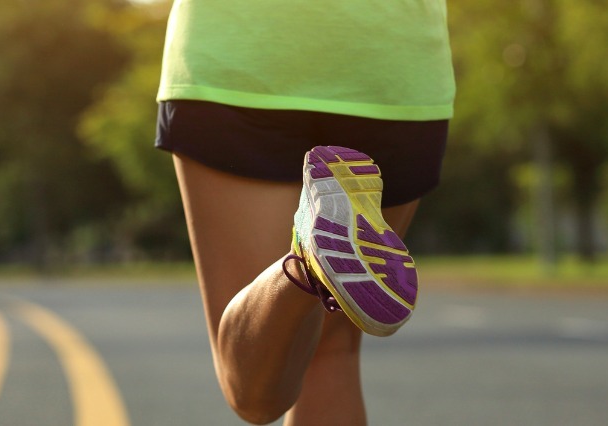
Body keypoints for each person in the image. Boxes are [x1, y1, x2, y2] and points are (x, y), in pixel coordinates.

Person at [154, 0, 454, 424]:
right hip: (391, 60)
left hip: (239, 49)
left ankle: (306, 266)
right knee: (332, 351)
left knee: (254, 395)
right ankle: (323, 264)